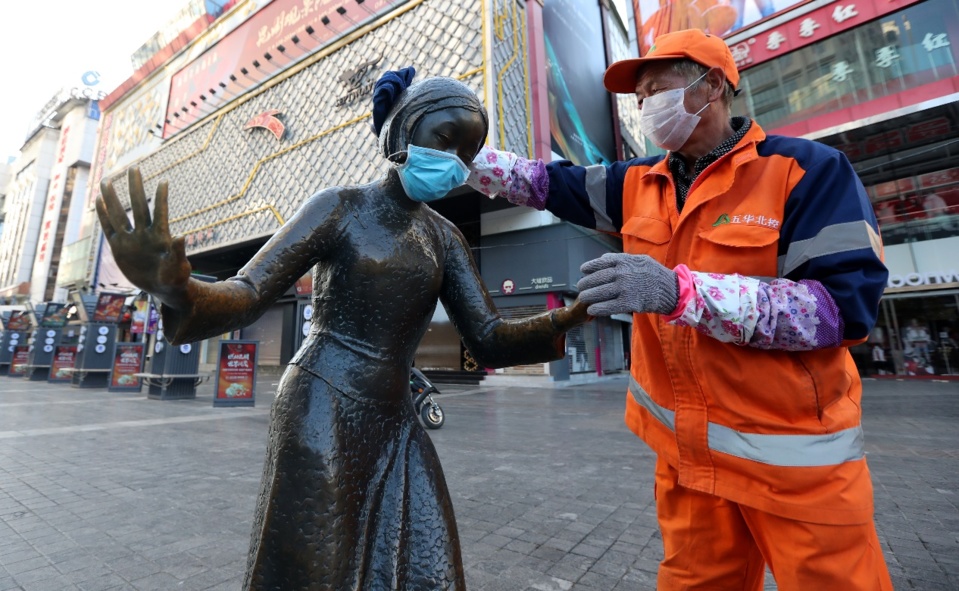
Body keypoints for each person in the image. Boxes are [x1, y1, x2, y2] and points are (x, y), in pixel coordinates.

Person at [96, 71, 589, 591]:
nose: (455, 163)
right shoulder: (340, 207)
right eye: (445, 141)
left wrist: (561, 320)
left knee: (430, 567)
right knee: (316, 568)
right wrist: (178, 290)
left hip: (397, 419)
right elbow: (247, 293)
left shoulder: (445, 239)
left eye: (468, 153)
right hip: (323, 405)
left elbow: (487, 335)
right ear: (401, 134)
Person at [467, 29, 892, 590]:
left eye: (655, 91)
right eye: (638, 99)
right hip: (687, 463)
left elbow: (840, 309)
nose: (645, 108)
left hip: (796, 469)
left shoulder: (807, 171)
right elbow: (541, 182)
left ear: (711, 85)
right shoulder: (637, 183)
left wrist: (683, 293)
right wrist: (451, 150)